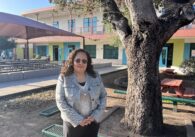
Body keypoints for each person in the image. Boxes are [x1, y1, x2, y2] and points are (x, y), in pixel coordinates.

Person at [56, 49, 107, 137]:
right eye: (77, 60)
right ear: (72, 61)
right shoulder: (64, 78)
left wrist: (95, 115)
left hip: (92, 122)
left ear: (88, 63)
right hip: (73, 124)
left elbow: (103, 96)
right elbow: (60, 101)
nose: (81, 63)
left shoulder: (96, 76)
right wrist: (78, 119)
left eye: (84, 61)